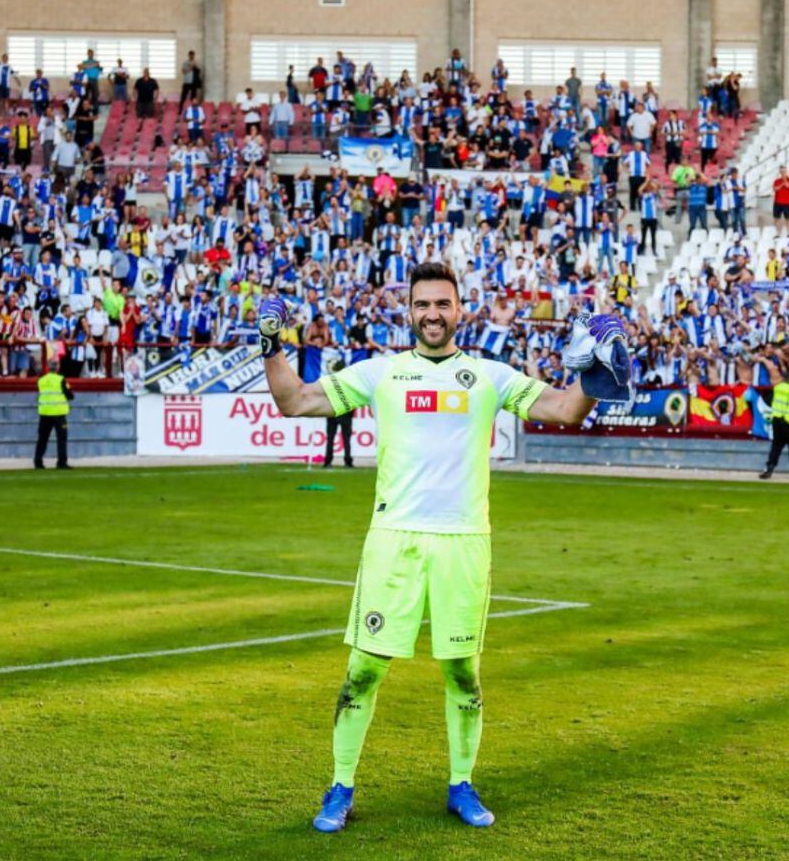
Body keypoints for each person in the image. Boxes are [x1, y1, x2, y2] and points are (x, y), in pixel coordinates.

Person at [256, 262, 629, 834]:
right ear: (409, 311)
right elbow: (295, 401)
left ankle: (461, 784)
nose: (433, 314)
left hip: (464, 542)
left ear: (460, 310)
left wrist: (598, 372)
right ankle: (341, 787)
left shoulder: (489, 375)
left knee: (462, 673)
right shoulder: (380, 373)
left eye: (443, 304)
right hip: (394, 541)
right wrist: (269, 343)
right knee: (362, 671)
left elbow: (563, 409)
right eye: (423, 304)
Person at [34, 358, 73, 469]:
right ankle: (61, 462)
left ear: (47, 367)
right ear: (58, 367)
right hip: (58, 413)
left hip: (45, 413)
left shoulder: (41, 380)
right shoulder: (61, 379)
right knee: (61, 439)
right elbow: (70, 395)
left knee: (42, 439)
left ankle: (38, 461)